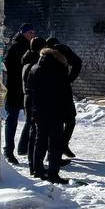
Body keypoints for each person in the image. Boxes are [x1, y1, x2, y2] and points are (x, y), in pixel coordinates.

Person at [23, 42, 74, 183]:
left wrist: (31, 110)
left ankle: (37, 170)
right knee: (55, 145)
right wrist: (69, 114)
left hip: (39, 111)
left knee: (40, 141)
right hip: (56, 113)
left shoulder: (35, 68)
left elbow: (29, 91)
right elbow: (65, 94)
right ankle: (53, 174)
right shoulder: (59, 70)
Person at [2, 24, 36, 163]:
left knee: (30, 120)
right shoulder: (16, 47)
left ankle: (22, 147)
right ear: (23, 33)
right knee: (12, 120)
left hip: (25, 90)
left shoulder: (29, 46)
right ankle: (9, 150)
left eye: (33, 32)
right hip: (15, 89)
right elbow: (10, 67)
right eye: (30, 32)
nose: (33, 34)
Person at [46, 37, 82, 161]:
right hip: (54, 93)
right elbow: (78, 62)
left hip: (60, 92)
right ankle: (54, 153)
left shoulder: (58, 50)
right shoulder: (46, 55)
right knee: (57, 124)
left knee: (69, 120)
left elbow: (77, 62)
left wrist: (69, 79)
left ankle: (61, 146)